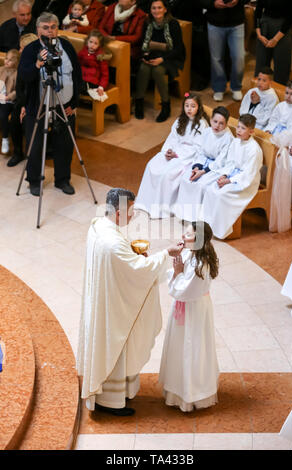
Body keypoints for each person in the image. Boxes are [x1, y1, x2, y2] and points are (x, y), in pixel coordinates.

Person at [76, 187, 184, 415]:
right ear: (117, 212)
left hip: (106, 296)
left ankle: (116, 395)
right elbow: (139, 270)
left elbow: (122, 265)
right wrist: (167, 254)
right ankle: (110, 402)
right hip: (113, 307)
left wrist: (132, 256)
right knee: (116, 344)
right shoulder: (113, 244)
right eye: (131, 211)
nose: (132, 216)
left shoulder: (98, 226)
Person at [18, 12, 82, 196]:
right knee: (36, 144)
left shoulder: (67, 46)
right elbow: (24, 77)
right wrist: (38, 64)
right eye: (46, 27)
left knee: (65, 144)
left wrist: (75, 102)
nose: (50, 31)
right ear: (38, 29)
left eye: (53, 27)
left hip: (65, 106)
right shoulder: (30, 50)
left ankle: (63, 180)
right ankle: (35, 181)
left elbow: (77, 76)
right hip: (38, 106)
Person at [159, 221, 219, 412]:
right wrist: (176, 270)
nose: (183, 237)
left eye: (188, 235)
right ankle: (177, 389)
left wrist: (177, 273)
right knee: (179, 345)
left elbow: (183, 291)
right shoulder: (189, 252)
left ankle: (191, 394)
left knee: (192, 347)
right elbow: (176, 274)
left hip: (194, 310)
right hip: (186, 306)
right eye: (184, 233)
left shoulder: (202, 264)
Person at [134, 92, 209, 219]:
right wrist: (168, 151)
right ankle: (145, 202)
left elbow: (199, 147)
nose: (189, 109)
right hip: (174, 151)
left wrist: (177, 155)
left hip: (187, 157)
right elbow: (172, 138)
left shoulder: (202, 124)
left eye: (193, 106)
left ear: (198, 107)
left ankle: (160, 209)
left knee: (165, 174)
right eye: (186, 106)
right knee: (152, 165)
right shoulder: (180, 120)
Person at [202, 113, 263, 239]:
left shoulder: (254, 150)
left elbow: (248, 174)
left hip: (245, 182)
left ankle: (220, 230)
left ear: (251, 131)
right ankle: (208, 226)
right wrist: (224, 175)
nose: (238, 130)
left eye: (243, 128)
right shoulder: (235, 142)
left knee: (221, 195)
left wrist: (229, 180)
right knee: (210, 189)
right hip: (232, 175)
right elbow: (230, 162)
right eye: (238, 127)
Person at [174, 106, 233, 222]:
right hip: (202, 163)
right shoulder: (206, 132)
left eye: (221, 123)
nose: (217, 126)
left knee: (200, 185)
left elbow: (220, 161)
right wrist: (197, 168)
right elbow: (200, 152)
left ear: (226, 124)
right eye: (215, 122)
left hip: (215, 168)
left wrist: (203, 171)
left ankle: (196, 219)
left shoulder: (228, 138)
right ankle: (184, 215)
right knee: (186, 179)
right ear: (211, 120)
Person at [134, 0, 185, 122]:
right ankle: (139, 103)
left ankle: (166, 106)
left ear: (165, 9)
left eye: (159, 8)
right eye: (154, 8)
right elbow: (143, 43)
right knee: (143, 69)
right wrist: (145, 55)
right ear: (150, 10)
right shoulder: (147, 23)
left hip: (170, 57)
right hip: (152, 54)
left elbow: (178, 49)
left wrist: (162, 59)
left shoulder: (173, 24)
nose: (156, 11)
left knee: (158, 71)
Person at [205, 0, 247, 102]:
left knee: (239, 56)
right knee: (216, 58)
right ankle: (219, 88)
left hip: (237, 23)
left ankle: (236, 86)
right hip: (214, 22)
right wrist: (213, 3)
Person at [7, 33, 38, 168]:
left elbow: (35, 90)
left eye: (22, 48)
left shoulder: (39, 65)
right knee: (14, 120)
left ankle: (33, 156)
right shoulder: (22, 64)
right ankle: (17, 153)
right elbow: (20, 89)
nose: (19, 51)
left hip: (36, 103)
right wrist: (22, 106)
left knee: (28, 122)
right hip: (23, 102)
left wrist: (27, 106)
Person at [254, 0, 292, 85]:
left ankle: (279, 95)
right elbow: (258, 10)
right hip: (265, 26)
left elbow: (291, 17)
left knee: (282, 66)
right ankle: (259, 94)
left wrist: (276, 39)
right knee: (261, 64)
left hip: (283, 29)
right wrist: (258, 33)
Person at [99, 0, 147, 70]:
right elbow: (101, 27)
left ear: (133, 2)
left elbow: (137, 37)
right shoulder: (112, 8)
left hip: (128, 46)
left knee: (119, 57)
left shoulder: (140, 15)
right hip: (108, 41)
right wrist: (106, 37)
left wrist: (115, 38)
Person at [78, 30, 109, 98]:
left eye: (95, 43)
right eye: (91, 42)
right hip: (82, 78)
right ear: (87, 41)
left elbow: (105, 74)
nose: (92, 45)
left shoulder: (100, 56)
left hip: (92, 82)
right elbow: (77, 64)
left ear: (99, 45)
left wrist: (101, 87)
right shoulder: (83, 52)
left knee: (79, 86)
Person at [0, 49, 20, 156]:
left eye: (10, 60)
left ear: (16, 62)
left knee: (3, 115)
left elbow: (18, 90)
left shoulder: (17, 73)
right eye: (6, 58)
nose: (7, 61)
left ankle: (5, 138)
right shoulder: (1, 69)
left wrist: (8, 97)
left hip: (8, 101)